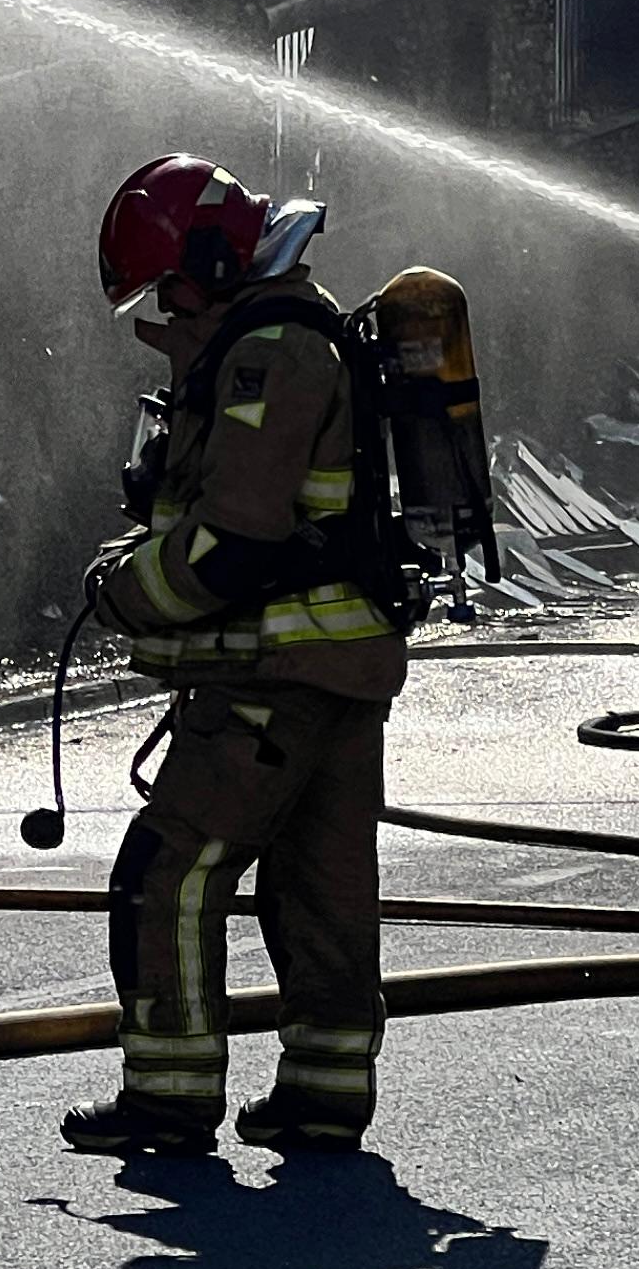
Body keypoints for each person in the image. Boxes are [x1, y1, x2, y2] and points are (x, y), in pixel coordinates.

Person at [60, 155, 404, 1161]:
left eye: (168, 284)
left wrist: (123, 590)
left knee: (167, 874)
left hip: (274, 678)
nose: (161, 309)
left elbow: (237, 542)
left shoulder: (267, 358)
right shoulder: (290, 333)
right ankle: (322, 1098)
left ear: (212, 259)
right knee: (318, 889)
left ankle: (167, 1101)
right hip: (337, 676)